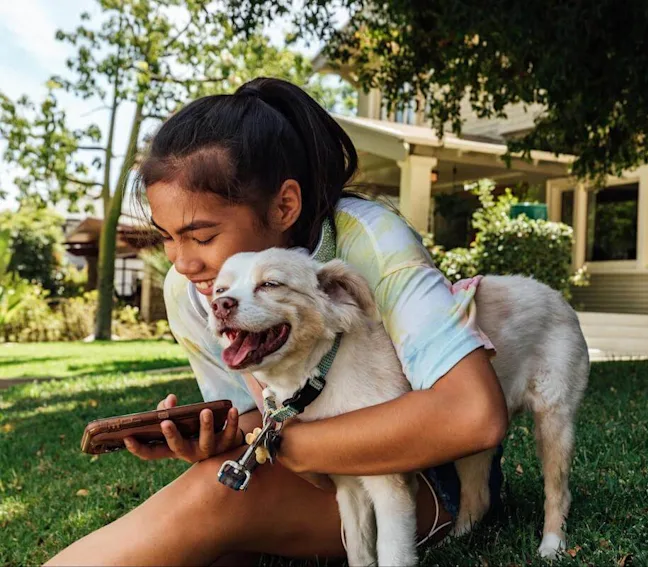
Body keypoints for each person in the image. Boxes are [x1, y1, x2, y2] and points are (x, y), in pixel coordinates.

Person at [46, 77, 508, 566]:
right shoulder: (193, 290)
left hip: (423, 487)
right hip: (318, 479)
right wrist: (227, 437)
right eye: (167, 237)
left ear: (284, 206)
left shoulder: (369, 239)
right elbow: (256, 412)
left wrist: (285, 442)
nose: (181, 262)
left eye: (201, 236)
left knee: (211, 499)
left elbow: (473, 414)